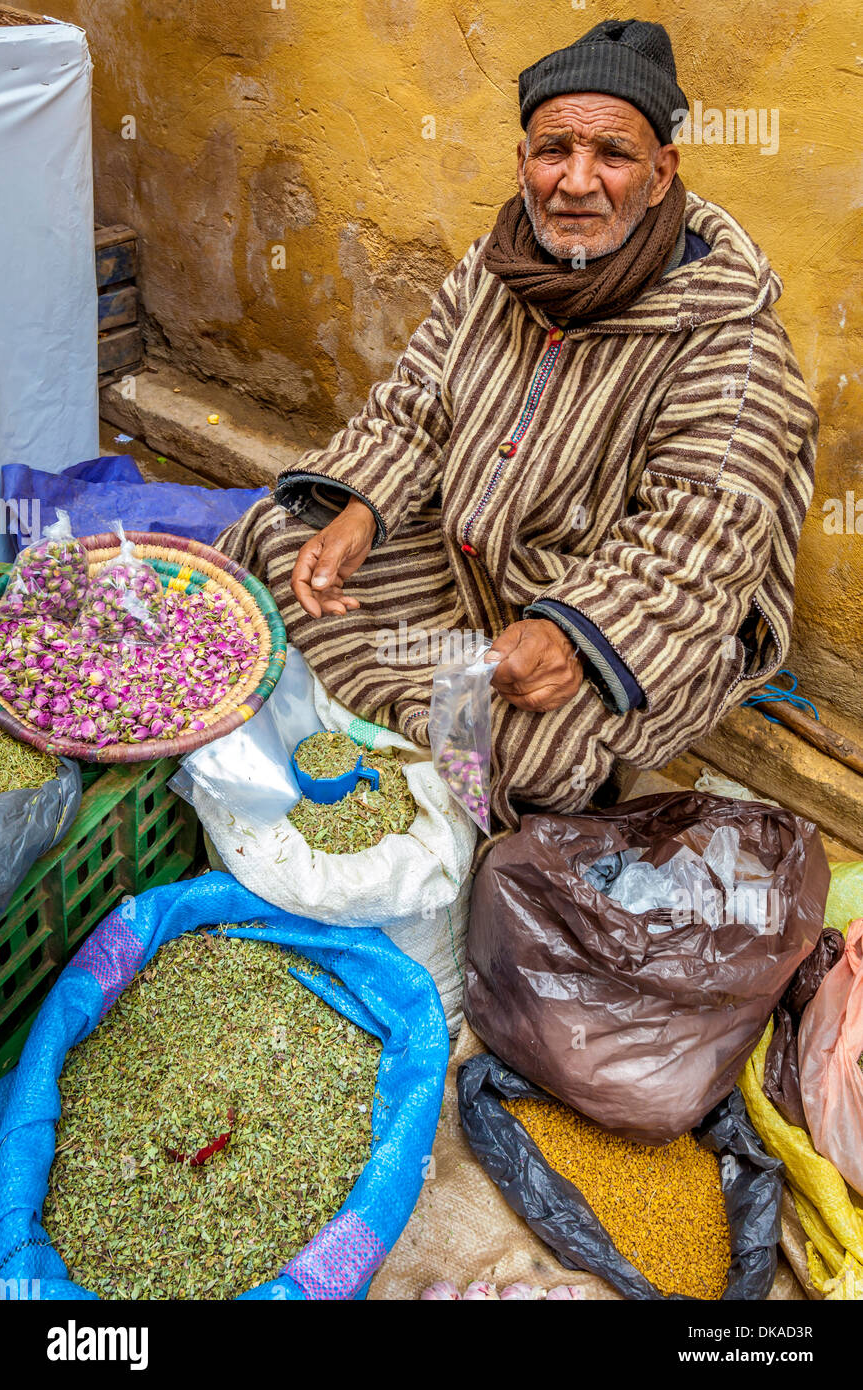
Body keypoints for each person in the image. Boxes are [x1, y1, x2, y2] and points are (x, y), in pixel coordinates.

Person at [217, 18, 818, 830]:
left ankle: (428, 725)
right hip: (461, 559)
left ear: (661, 170)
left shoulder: (728, 336)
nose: (576, 182)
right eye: (553, 151)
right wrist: (363, 508)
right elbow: (421, 400)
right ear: (523, 161)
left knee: (531, 753)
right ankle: (415, 725)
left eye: (612, 154)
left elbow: (701, 539)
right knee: (279, 539)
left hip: (600, 605)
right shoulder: (498, 264)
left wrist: (572, 635)